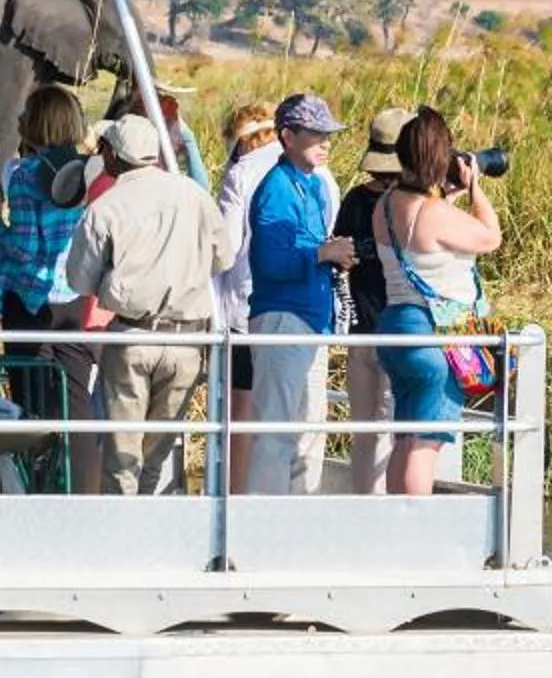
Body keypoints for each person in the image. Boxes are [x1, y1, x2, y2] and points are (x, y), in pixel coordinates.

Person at [61, 112, 230, 496]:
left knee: (122, 457)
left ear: (114, 156)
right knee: (157, 455)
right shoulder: (194, 195)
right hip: (187, 338)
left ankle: (123, 542)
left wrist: (116, 278)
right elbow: (224, 258)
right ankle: (152, 535)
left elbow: (78, 280)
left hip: (132, 335)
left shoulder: (107, 206)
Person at [374, 107, 502, 497]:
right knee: (427, 444)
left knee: (405, 436)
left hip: (396, 324)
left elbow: (427, 229)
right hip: (434, 337)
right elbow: (489, 237)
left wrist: (448, 197)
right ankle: (418, 530)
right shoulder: (433, 213)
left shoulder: (385, 205)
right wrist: (477, 192)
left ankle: (395, 524)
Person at [0, 84, 99, 481]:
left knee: (33, 402)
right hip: (78, 299)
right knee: (76, 405)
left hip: (33, 305)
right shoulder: (91, 172)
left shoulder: (27, 174)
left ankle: (41, 490)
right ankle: (83, 494)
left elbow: (25, 249)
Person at [243, 93, 351, 494]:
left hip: (311, 319)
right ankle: (263, 527)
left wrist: (332, 256)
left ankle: (298, 522)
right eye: (316, 134)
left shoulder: (316, 187)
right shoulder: (276, 189)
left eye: (328, 135)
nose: (326, 142)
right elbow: (270, 261)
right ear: (288, 136)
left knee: (310, 429)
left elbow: (299, 252)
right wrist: (324, 252)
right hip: (283, 318)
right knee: (278, 430)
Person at [331, 106, 411, 493]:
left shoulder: (356, 200)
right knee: (404, 433)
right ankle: (397, 512)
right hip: (402, 329)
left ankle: (364, 510)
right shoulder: (413, 205)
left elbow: (340, 253)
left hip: (363, 326)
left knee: (365, 431)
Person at [212, 102, 280, 428]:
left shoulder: (242, 173)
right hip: (298, 311)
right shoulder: (316, 171)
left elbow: (224, 246)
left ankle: (237, 481)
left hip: (244, 308)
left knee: (242, 410)